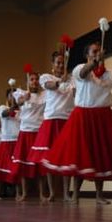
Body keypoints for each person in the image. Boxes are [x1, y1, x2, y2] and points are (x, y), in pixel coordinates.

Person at [42, 41, 112, 205]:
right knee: (80, 155)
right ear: (87, 55)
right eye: (94, 51)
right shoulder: (79, 69)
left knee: (99, 155)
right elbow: (83, 74)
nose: (97, 53)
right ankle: (75, 195)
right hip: (83, 116)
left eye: (99, 50)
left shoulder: (110, 74)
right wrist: (95, 62)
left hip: (102, 117)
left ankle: (99, 195)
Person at [29, 52, 74, 202]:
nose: (61, 65)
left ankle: (67, 193)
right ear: (53, 64)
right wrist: (62, 80)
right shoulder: (46, 77)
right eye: (58, 63)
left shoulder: (72, 79)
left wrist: (70, 82)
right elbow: (51, 86)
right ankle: (52, 193)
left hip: (67, 120)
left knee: (67, 158)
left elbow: (76, 93)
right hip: (51, 120)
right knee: (48, 158)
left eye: (63, 63)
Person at [11, 72, 45, 201]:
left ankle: (42, 194)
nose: (34, 81)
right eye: (32, 79)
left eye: (36, 79)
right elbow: (16, 103)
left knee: (39, 166)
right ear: (28, 81)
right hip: (25, 132)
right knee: (24, 164)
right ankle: (24, 194)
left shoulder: (44, 95)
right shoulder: (21, 94)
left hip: (39, 132)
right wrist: (23, 98)